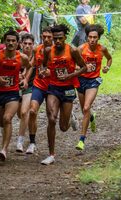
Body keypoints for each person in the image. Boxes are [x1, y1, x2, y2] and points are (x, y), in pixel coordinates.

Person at [40, 24, 89, 165]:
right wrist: (44, 72)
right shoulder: (48, 50)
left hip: (68, 89)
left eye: (60, 38)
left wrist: (71, 75)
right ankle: (51, 154)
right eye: (55, 39)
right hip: (53, 88)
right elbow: (43, 65)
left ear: (65, 38)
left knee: (62, 127)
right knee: (51, 119)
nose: (58, 41)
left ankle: (70, 118)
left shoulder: (72, 50)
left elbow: (84, 67)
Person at [0, 29, 31, 161]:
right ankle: (5, 140)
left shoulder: (22, 58)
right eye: (8, 40)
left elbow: (29, 66)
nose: (10, 43)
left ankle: (4, 150)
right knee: (2, 123)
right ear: (4, 41)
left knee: (7, 118)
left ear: (17, 43)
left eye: (13, 41)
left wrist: (24, 78)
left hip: (13, 93)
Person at [75, 24, 112, 151]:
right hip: (81, 80)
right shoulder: (80, 49)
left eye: (95, 37)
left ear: (98, 38)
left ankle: (81, 140)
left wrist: (107, 67)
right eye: (90, 37)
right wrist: (81, 68)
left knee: (86, 108)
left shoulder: (102, 49)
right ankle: (91, 116)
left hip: (93, 81)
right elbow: (72, 66)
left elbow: (109, 59)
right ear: (87, 37)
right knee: (84, 110)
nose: (92, 39)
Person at [23, 27, 53, 154]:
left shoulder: (58, 50)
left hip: (53, 87)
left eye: (49, 37)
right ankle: (32, 142)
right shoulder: (37, 49)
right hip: (39, 85)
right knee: (32, 111)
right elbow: (32, 65)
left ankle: (69, 113)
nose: (46, 39)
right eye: (44, 36)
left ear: (53, 37)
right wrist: (25, 78)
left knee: (51, 117)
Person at [16, 33, 35, 153]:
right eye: (25, 44)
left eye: (30, 44)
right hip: (16, 88)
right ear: (21, 44)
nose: (27, 46)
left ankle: (20, 141)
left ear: (33, 45)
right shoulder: (16, 56)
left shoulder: (36, 56)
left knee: (25, 112)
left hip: (31, 86)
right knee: (20, 114)